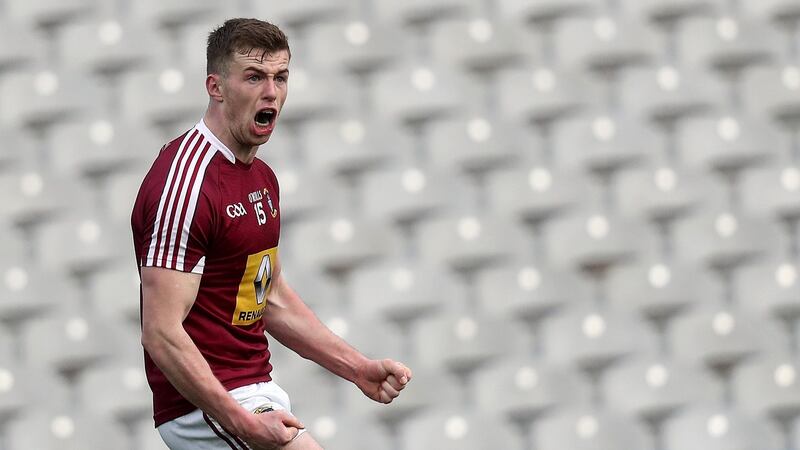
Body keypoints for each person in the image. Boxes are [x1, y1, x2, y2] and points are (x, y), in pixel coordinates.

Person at [131, 18, 412, 450]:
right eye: (254, 77)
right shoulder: (187, 183)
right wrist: (242, 422)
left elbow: (270, 296)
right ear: (215, 87)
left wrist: (357, 368)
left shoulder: (261, 177)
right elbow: (160, 332)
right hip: (205, 408)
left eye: (280, 77)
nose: (271, 92)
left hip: (255, 390)